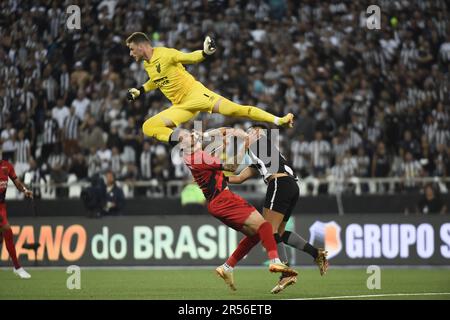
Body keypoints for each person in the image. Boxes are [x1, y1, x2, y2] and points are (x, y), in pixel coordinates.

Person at [179, 129, 297, 291]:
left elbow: (214, 166)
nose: (190, 134)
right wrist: (244, 146)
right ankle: (275, 261)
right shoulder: (199, 156)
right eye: (184, 136)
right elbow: (232, 167)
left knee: (255, 235)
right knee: (265, 226)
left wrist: (221, 145)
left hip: (216, 203)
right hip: (224, 199)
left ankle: (227, 267)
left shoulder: (192, 157)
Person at [125, 32, 294, 144]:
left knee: (235, 110)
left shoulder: (166, 54)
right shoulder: (148, 64)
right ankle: (184, 137)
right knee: (148, 127)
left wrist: (204, 53)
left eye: (132, 49)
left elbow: (189, 57)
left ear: (141, 46)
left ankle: (279, 120)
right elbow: (156, 79)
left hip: (196, 94)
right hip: (180, 106)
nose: (131, 54)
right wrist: (141, 90)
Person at [225, 125, 328, 294]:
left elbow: (231, 165)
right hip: (291, 186)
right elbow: (239, 178)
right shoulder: (262, 155)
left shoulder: (259, 142)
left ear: (258, 133)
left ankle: (286, 272)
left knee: (268, 229)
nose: (248, 133)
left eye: (251, 130)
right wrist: (219, 179)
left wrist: (240, 140)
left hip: (279, 184)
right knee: (277, 233)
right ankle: (316, 253)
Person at [0, 155, 33, 278]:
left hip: (2, 207)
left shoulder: (7, 166)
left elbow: (17, 182)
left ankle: (17, 267)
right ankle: (17, 267)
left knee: (7, 234)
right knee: (7, 229)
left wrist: (25, 190)